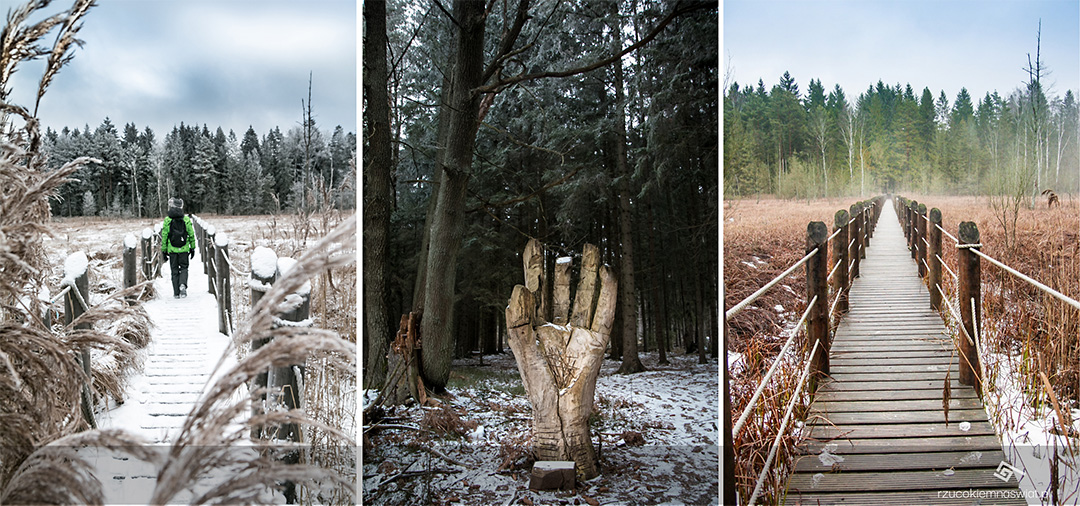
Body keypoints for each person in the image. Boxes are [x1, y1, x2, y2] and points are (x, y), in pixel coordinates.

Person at [161, 198, 196, 298]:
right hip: (184, 249)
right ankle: (182, 285)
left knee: (174, 270)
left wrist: (164, 250)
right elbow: (191, 234)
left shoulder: (167, 220)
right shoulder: (186, 219)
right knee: (184, 268)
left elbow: (164, 236)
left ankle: (176, 293)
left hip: (172, 250)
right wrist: (192, 248)